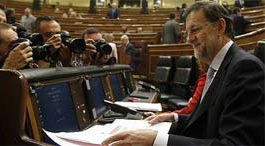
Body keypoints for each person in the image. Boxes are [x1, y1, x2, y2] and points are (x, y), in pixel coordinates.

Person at [102, 2, 265, 145]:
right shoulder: (219, 67)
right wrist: (173, 118)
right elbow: (209, 122)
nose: (189, 39)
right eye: (186, 32)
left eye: (195, 30)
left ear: (220, 27)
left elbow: (236, 143)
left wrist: (157, 140)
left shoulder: (244, 68)